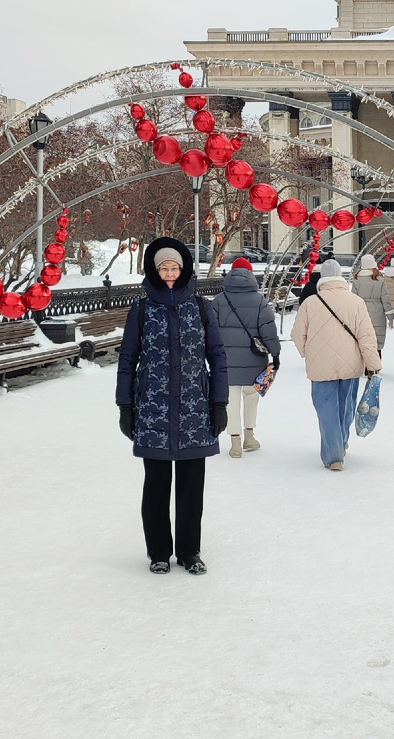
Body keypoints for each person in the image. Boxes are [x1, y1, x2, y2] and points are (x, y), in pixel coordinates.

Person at [116, 238, 228, 576]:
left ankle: (190, 552)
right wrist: (126, 405)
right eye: (163, 268)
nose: (168, 274)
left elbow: (217, 357)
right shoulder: (141, 309)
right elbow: (127, 359)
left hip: (195, 409)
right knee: (156, 484)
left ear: (184, 270)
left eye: (174, 268)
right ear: (154, 268)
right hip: (154, 410)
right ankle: (159, 552)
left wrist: (219, 402)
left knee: (192, 486)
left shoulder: (200, 307)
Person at [291, 258, 381, 470]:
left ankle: (334, 456)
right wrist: (373, 363)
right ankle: (341, 443)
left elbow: (296, 335)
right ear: (341, 276)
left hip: (320, 367)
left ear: (322, 278)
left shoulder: (310, 303)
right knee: (346, 407)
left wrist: (308, 352)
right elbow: (367, 336)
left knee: (326, 409)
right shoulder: (356, 302)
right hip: (351, 364)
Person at [213, 257, 279, 458]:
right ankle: (250, 436)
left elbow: (210, 331)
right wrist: (275, 353)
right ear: (250, 274)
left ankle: (235, 443)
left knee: (231, 399)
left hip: (227, 360)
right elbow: (268, 330)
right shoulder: (259, 300)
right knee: (251, 396)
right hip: (254, 358)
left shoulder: (219, 300)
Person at [351, 254, 393, 351]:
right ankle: (376, 364)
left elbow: (353, 299)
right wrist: (390, 317)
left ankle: (365, 365)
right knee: (377, 343)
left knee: (364, 342)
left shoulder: (357, 279)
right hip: (378, 312)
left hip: (362, 312)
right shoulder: (379, 279)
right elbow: (385, 299)